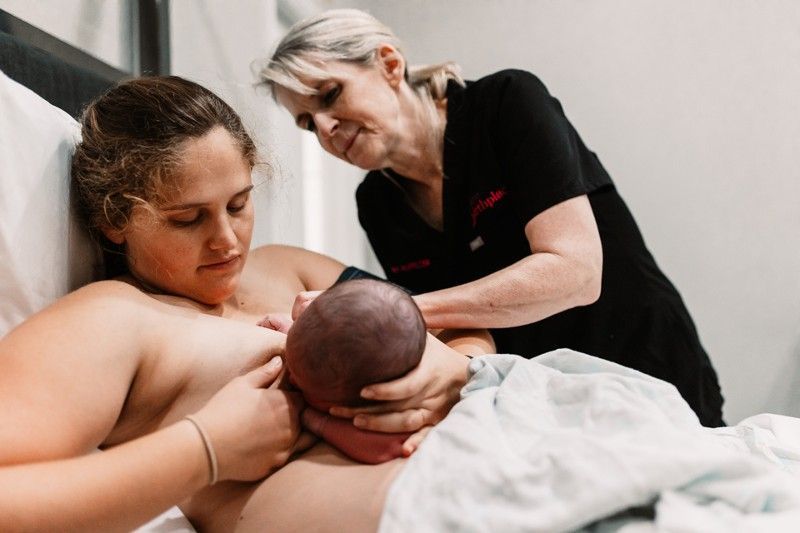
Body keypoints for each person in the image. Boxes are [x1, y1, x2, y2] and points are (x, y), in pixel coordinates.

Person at [0, 75, 490, 531]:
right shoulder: (110, 317)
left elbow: (457, 325)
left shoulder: (288, 268)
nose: (227, 240)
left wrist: (456, 372)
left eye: (238, 205)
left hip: (505, 436)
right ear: (114, 221)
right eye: (188, 219)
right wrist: (206, 449)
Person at [257, 8, 725, 427]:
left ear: (389, 64)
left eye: (329, 95)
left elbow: (578, 273)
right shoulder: (377, 204)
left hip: (647, 366)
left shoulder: (505, 105)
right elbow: (454, 329)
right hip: (545, 398)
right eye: (305, 122)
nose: (323, 128)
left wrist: (394, 311)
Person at [284, 278, 426, 464]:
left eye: (301, 382)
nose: (291, 380)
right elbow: (321, 341)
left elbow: (384, 450)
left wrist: (316, 422)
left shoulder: (381, 419)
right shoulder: (372, 364)